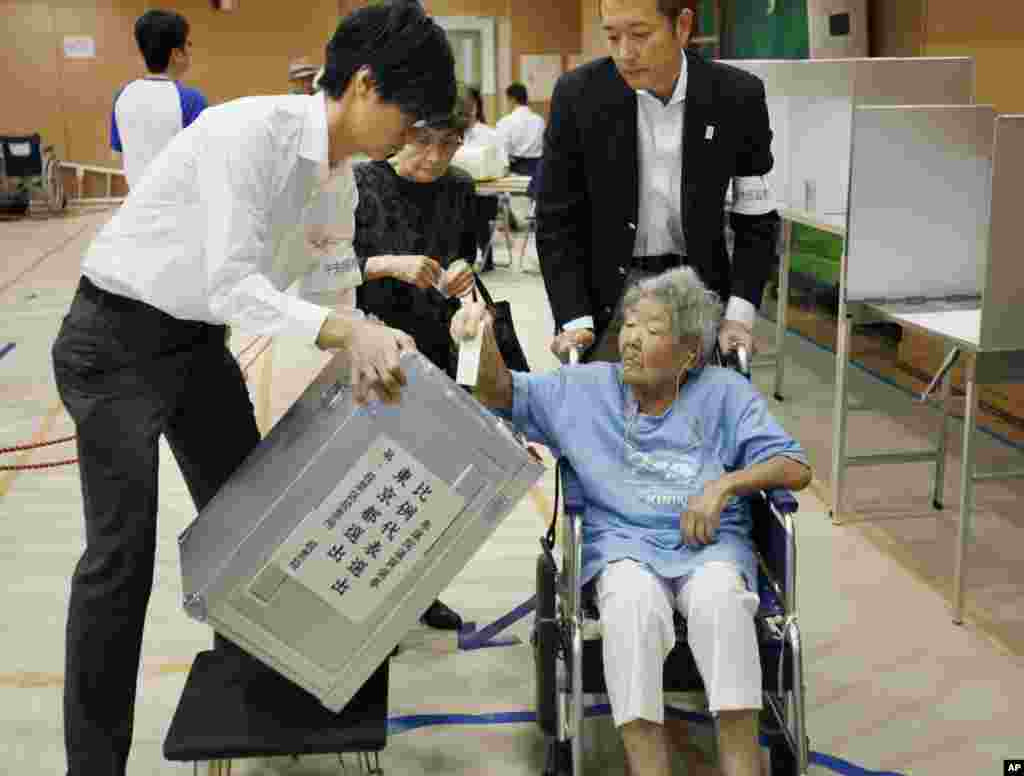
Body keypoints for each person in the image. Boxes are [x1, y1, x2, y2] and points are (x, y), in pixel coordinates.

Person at [51, 3, 456, 774]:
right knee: (121, 556)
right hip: (111, 342)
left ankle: (262, 692)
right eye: (409, 117)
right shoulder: (250, 136)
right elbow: (233, 285)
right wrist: (346, 333)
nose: (411, 138)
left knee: (256, 525)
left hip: (193, 343)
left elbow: (329, 281)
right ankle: (92, 766)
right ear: (367, 86)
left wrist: (372, 351)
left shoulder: (341, 175)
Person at [452, 266, 811, 776]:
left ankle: (741, 766)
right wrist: (479, 338)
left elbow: (795, 467)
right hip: (622, 551)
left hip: (710, 550)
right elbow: (499, 390)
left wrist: (724, 485)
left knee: (723, 606)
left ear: (690, 354)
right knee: (630, 610)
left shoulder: (725, 393)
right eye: (629, 325)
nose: (630, 341)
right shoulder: (584, 389)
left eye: (653, 330)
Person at [538, 0, 779, 365]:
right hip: (611, 295)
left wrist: (740, 316)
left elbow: (756, 217)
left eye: (639, 35)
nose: (625, 53)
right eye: (612, 36)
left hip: (696, 291)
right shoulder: (578, 96)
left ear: (682, 26)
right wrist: (574, 317)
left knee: (698, 413)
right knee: (605, 414)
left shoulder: (736, 96)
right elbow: (556, 220)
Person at [352, 84, 480, 628]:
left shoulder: (460, 188)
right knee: (368, 480)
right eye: (423, 142)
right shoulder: (361, 183)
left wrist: (460, 273)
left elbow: (466, 254)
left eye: (448, 145)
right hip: (371, 345)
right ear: (400, 133)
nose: (435, 158)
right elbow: (330, 270)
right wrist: (388, 264)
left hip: (436, 345)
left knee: (429, 478)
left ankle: (419, 592)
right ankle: (368, 603)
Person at [111, 9, 207, 189]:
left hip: (137, 207)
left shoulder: (122, 96)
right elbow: (206, 160)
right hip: (181, 209)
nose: (190, 49)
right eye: (188, 43)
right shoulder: (192, 100)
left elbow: (117, 153)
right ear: (177, 54)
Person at [459, 86, 508, 272]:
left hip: (484, 196)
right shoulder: (451, 134)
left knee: (475, 212)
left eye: (469, 107)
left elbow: (503, 165)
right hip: (460, 192)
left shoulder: (490, 134)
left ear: (476, 107)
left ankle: (480, 258)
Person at [495, 82, 545, 176]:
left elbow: (502, 151)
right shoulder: (540, 120)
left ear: (512, 100)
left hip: (516, 171)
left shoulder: (505, 122)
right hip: (538, 171)